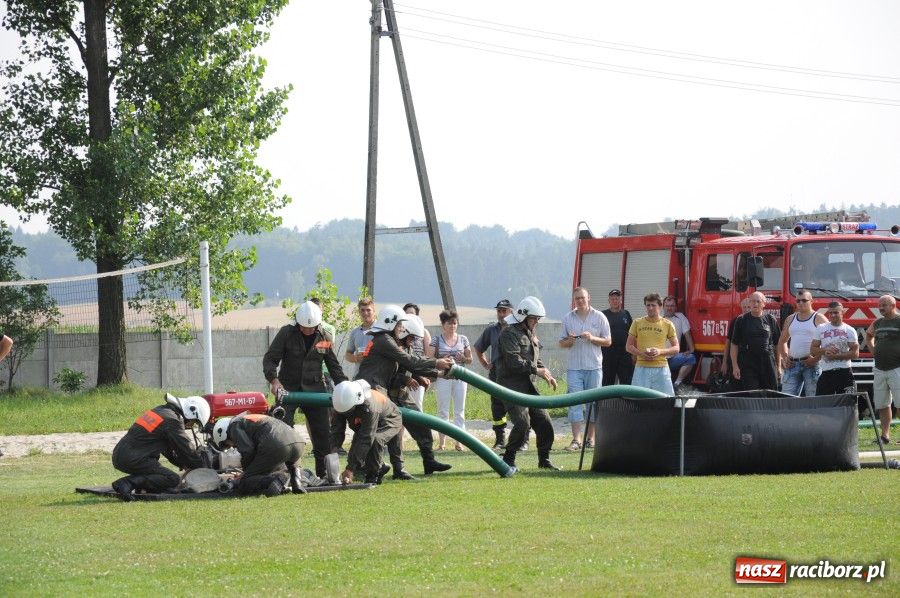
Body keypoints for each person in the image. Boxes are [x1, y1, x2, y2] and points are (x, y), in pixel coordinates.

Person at [356, 304, 454, 480]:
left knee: (420, 424)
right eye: (402, 328)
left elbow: (413, 363)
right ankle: (384, 468)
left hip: (396, 392)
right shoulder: (387, 341)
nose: (413, 341)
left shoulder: (396, 342)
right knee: (391, 430)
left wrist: (433, 374)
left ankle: (427, 460)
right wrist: (435, 366)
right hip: (384, 391)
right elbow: (401, 368)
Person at [263, 300, 347, 479]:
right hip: (287, 390)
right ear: (297, 323)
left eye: (312, 328)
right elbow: (270, 359)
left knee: (323, 434)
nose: (308, 330)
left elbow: (333, 366)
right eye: (304, 327)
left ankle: (324, 475)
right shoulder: (286, 333)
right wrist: (274, 381)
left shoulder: (324, 336)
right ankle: (285, 473)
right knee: (282, 432)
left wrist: (344, 385)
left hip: (315, 390)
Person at [496, 296, 561, 472]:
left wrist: (546, 372)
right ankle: (508, 458)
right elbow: (514, 361)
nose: (537, 322)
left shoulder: (529, 333)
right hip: (511, 387)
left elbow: (534, 359)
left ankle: (544, 459)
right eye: (535, 319)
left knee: (544, 421)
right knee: (522, 424)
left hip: (529, 386)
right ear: (524, 317)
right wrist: (536, 371)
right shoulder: (508, 333)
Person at [111, 394, 210, 501]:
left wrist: (182, 464)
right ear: (190, 412)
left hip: (121, 454)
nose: (191, 425)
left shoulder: (160, 411)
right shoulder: (172, 420)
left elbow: (167, 450)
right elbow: (186, 448)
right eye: (194, 422)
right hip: (134, 458)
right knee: (172, 479)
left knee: (161, 476)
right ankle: (127, 483)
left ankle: (143, 486)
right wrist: (202, 467)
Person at [558, 287, 610, 452]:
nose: (580, 301)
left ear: (589, 298)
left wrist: (592, 338)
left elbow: (608, 341)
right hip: (574, 368)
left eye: (582, 298)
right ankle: (576, 440)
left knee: (593, 404)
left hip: (594, 367)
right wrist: (570, 341)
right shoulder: (568, 318)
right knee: (574, 403)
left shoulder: (600, 316)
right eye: (577, 298)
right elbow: (561, 343)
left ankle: (591, 439)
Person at [212, 413, 307, 496]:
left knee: (245, 481)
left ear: (223, 433)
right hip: (298, 443)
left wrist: (246, 473)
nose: (232, 446)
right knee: (292, 464)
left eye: (226, 444)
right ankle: (297, 483)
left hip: (277, 445)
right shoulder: (248, 419)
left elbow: (247, 451)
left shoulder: (234, 426)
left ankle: (276, 481)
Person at [332, 379, 403, 485]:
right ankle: (381, 466)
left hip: (390, 419)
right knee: (357, 446)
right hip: (369, 419)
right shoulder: (341, 403)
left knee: (376, 440)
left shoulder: (369, 406)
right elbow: (337, 431)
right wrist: (331, 454)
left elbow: (367, 437)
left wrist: (350, 469)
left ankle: (373, 476)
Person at [332, 297, 377, 454]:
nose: (365, 313)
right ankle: (341, 445)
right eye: (362, 311)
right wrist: (356, 358)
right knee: (353, 413)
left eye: (368, 310)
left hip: (376, 380)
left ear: (374, 310)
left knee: (373, 413)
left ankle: (376, 445)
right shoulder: (355, 333)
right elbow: (348, 355)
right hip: (358, 379)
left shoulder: (380, 331)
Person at [473, 299, 514, 450]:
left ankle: (522, 440)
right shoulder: (491, 330)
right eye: (499, 311)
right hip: (496, 374)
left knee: (518, 407)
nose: (501, 314)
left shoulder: (518, 327)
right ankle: (500, 440)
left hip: (514, 373)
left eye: (504, 311)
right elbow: (478, 347)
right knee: (497, 407)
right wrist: (485, 364)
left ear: (511, 312)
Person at [430, 309, 473, 451]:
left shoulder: (463, 339)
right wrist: (441, 360)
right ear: (443, 325)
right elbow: (429, 359)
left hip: (460, 378)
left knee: (459, 411)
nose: (453, 326)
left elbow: (470, 359)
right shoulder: (436, 340)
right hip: (443, 377)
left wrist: (463, 359)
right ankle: (442, 443)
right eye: (449, 323)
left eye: (455, 323)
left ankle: (459, 442)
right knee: (443, 411)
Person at [777, 289, 827, 396]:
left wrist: (815, 359)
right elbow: (782, 341)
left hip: (812, 365)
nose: (800, 303)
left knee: (812, 400)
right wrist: (785, 357)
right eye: (798, 301)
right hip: (792, 364)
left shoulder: (819, 318)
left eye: (804, 300)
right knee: (786, 399)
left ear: (811, 301)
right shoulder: (790, 319)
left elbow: (829, 343)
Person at [626, 293, 679, 394]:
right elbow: (628, 346)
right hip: (641, 368)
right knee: (639, 400)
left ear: (660, 306)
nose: (650, 308)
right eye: (648, 305)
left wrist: (660, 351)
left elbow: (676, 348)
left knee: (665, 400)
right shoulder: (637, 322)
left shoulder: (667, 324)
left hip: (661, 368)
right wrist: (642, 354)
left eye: (653, 305)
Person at [865, 295, 900, 444]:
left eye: (884, 305)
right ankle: (885, 436)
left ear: (893, 305)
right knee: (882, 404)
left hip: (897, 368)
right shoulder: (877, 323)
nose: (880, 307)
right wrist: (874, 352)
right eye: (879, 305)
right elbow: (868, 336)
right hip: (879, 369)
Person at [730, 292, 781, 391]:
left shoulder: (770, 320)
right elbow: (734, 344)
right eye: (753, 301)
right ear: (749, 302)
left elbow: (777, 345)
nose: (755, 304)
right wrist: (735, 366)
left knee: (771, 393)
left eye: (758, 301)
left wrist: (778, 366)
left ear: (764, 304)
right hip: (748, 362)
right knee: (753, 393)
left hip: (767, 362)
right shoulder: (741, 320)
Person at [811, 301, 859, 396]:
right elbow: (812, 350)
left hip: (845, 372)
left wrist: (836, 356)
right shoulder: (821, 328)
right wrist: (825, 350)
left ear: (842, 312)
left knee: (848, 404)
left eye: (836, 312)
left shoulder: (849, 330)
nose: (832, 315)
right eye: (830, 312)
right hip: (826, 372)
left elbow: (855, 354)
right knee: (823, 405)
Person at [663, 296, 697, 394]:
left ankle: (677, 384)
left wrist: (691, 349)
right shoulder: (658, 318)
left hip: (673, 358)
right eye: (667, 306)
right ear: (663, 307)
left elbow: (687, 334)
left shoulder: (680, 317)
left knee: (691, 358)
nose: (669, 308)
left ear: (676, 307)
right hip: (660, 359)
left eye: (672, 306)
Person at [601, 290, 633, 387]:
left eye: (617, 299)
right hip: (608, 353)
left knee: (626, 381)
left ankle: (626, 402)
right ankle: (606, 402)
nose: (615, 301)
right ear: (609, 301)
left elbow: (632, 333)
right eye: (612, 299)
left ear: (621, 300)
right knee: (607, 381)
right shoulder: (603, 315)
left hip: (625, 354)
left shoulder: (626, 314)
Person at [402, 303, 431, 409]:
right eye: (407, 314)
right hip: (403, 373)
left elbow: (428, 355)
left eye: (412, 314)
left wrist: (425, 374)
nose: (410, 316)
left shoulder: (423, 332)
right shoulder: (399, 333)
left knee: (417, 404)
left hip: (418, 371)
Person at [720, 297, 751, 378]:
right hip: (737, 358)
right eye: (744, 307)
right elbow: (728, 342)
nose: (747, 309)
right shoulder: (735, 321)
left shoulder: (758, 320)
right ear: (741, 308)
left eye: (749, 307)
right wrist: (724, 362)